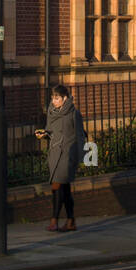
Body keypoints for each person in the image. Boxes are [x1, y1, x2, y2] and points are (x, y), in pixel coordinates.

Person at [36, 84, 85, 232]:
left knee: (56, 186)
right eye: (53, 97)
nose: (54, 100)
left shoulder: (74, 114)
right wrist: (44, 134)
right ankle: (71, 221)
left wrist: (83, 158)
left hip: (68, 155)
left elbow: (81, 135)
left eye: (57, 98)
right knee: (65, 189)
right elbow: (51, 131)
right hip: (54, 153)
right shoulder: (51, 112)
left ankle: (54, 221)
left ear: (65, 98)